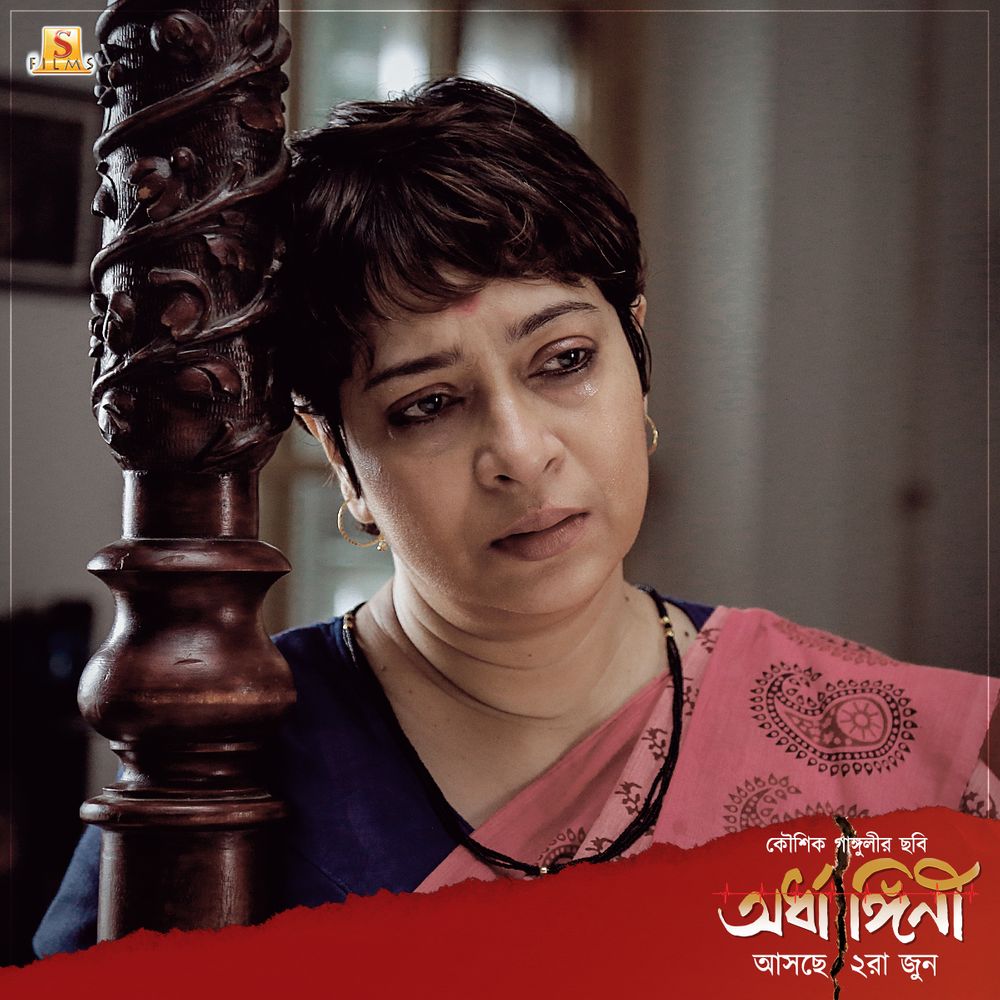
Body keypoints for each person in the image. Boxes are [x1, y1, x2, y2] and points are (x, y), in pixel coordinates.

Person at [35, 77, 998, 955]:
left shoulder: (859, 744)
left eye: (565, 361)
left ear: (637, 357)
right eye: (427, 405)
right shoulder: (222, 748)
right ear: (342, 458)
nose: (520, 451)